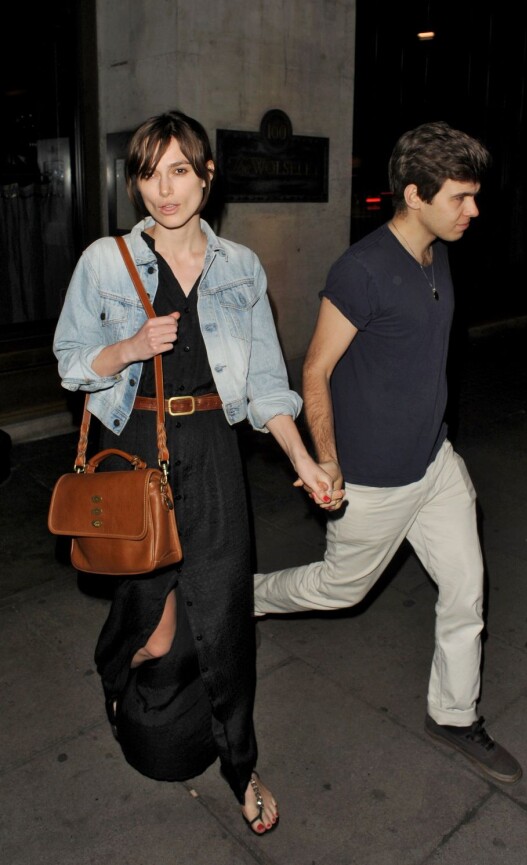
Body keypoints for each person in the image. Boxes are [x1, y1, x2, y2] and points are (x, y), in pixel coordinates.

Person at [53, 109, 336, 835]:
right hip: (136, 448)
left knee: (226, 619)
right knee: (151, 628)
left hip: (212, 447)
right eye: (149, 172)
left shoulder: (240, 266)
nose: (164, 189)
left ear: (209, 176)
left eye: (180, 170)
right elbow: (70, 360)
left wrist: (306, 462)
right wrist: (127, 347)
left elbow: (270, 386)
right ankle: (120, 678)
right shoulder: (105, 261)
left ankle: (240, 765)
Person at [254, 121, 522, 784]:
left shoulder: (439, 250)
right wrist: (329, 461)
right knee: (336, 589)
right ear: (413, 194)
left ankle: (454, 714)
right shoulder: (363, 270)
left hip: (434, 463)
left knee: (466, 587)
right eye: (460, 197)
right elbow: (314, 369)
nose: (473, 210)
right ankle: (243, 595)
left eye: (473, 195)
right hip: (373, 480)